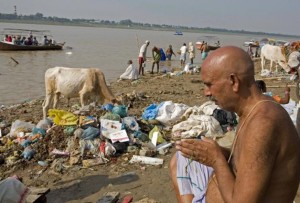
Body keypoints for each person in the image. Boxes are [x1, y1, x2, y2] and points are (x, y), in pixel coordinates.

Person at [170, 46, 300, 202]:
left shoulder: (263, 122)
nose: (206, 93)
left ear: (233, 81)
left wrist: (216, 160)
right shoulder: (253, 109)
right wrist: (213, 152)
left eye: (209, 84)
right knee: (180, 158)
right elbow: (247, 159)